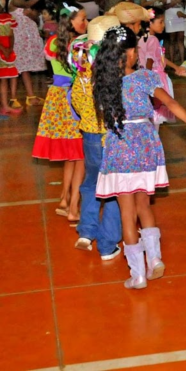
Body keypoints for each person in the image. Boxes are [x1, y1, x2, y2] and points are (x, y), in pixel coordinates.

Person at [93, 27, 186, 289]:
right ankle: (156, 259)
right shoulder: (145, 78)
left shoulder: (104, 82)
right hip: (146, 145)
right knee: (144, 206)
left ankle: (137, 275)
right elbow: (170, 104)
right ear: (126, 54)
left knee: (127, 214)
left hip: (119, 148)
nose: (136, 53)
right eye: (134, 49)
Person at [69, 16, 123, 260]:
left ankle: (86, 231)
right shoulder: (112, 71)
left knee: (91, 182)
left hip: (89, 134)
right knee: (113, 188)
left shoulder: (81, 70)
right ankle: (108, 244)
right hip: (110, 136)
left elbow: (77, 101)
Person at [33, 4, 87, 223]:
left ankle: (64, 198)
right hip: (74, 99)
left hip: (57, 97)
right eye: (82, 19)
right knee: (80, 154)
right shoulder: (80, 45)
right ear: (71, 22)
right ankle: (73, 205)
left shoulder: (53, 41)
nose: (86, 23)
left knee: (71, 155)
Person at [6, 0, 47, 107]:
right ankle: (13, 98)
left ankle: (31, 96)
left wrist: (32, 14)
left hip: (27, 38)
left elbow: (34, 16)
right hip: (18, 39)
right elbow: (25, 4)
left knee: (25, 69)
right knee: (15, 68)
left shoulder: (25, 1)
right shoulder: (14, 1)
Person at [138, 8, 183, 126]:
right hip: (155, 77)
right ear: (150, 23)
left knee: (151, 111)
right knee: (157, 112)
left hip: (146, 74)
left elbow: (160, 58)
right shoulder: (153, 40)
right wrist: (147, 78)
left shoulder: (143, 38)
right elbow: (150, 59)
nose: (163, 25)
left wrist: (175, 67)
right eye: (161, 22)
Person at [0, 8, 17, 117]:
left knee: (4, 78)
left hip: (7, 48)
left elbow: (11, 34)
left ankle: (5, 105)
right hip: (2, 48)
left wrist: (9, 48)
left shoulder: (9, 17)